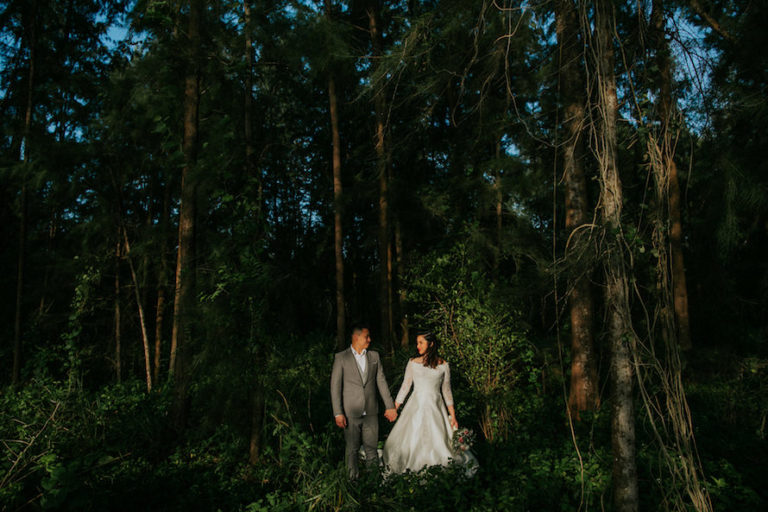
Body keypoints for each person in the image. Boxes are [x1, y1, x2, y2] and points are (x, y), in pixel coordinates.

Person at [382, 331, 477, 474]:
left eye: (421, 342)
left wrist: (453, 416)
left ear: (431, 344)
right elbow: (405, 387)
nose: (418, 345)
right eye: (417, 342)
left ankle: (437, 471)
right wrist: (394, 408)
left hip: (435, 407)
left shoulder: (444, 365)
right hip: (416, 405)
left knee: (438, 439)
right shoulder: (413, 363)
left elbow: (446, 391)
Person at [330, 324, 398, 479]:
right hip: (350, 412)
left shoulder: (374, 356)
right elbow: (335, 387)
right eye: (366, 337)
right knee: (352, 449)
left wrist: (390, 406)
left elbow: (381, 382)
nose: (369, 339)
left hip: (371, 410)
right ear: (356, 337)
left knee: (371, 448)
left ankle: (373, 483)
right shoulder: (341, 358)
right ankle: (352, 482)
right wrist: (338, 412)